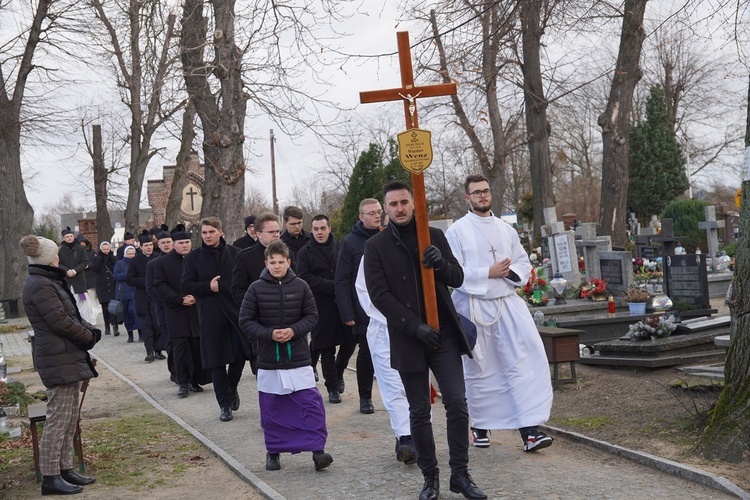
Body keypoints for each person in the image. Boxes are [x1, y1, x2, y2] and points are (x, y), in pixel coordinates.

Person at [364, 181, 486, 500]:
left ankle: (459, 474)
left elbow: (457, 278)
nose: (400, 208)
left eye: (405, 201)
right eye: (393, 204)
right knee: (419, 410)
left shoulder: (433, 235)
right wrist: (414, 327)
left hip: (442, 332)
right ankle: (429, 476)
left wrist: (441, 264)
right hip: (409, 337)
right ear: (385, 210)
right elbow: (379, 296)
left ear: (414, 203)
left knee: (457, 402)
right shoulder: (375, 247)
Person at [445, 174, 554, 452]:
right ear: (466, 197)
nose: (482, 196)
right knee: (479, 368)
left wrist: (510, 274)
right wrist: (488, 272)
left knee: (521, 364)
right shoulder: (457, 231)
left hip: (507, 305)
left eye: (485, 191)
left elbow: (521, 262)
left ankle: (530, 431)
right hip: (472, 307)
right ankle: (479, 426)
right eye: (476, 192)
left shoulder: (506, 230)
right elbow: (451, 272)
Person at [238, 240, 333, 472]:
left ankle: (318, 450)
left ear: (289, 262)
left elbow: (311, 315)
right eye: (273, 262)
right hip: (269, 359)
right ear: (266, 263)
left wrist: (294, 331)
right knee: (273, 408)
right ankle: (273, 452)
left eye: (281, 262)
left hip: (299, 357)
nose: (277, 266)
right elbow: (246, 321)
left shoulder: (301, 286)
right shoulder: (255, 289)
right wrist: (269, 334)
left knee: (310, 404)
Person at [20, 235, 100, 495]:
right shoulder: (40, 285)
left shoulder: (48, 281)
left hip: (66, 355)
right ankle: (51, 476)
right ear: (47, 258)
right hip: (58, 357)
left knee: (68, 419)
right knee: (58, 419)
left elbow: (71, 314)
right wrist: (88, 336)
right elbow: (60, 322)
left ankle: (65, 469)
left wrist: (91, 329)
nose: (59, 257)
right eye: (55, 254)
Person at [182, 216, 253, 422]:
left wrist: (223, 288)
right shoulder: (193, 258)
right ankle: (224, 404)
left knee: (240, 355)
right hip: (210, 314)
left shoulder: (236, 254)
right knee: (216, 361)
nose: (207, 236)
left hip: (235, 311)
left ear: (220, 231)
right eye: (204, 233)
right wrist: (208, 287)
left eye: (211, 232)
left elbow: (243, 282)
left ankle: (232, 387)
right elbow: (186, 285)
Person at [355, 259, 415, 465]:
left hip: (415, 327)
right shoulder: (373, 250)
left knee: (416, 384)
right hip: (384, 326)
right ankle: (405, 437)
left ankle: (419, 433)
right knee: (392, 384)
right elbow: (363, 289)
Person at [334, 198, 381, 413]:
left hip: (388, 304)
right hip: (362, 306)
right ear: (361, 217)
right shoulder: (351, 242)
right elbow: (342, 279)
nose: (376, 215)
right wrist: (347, 312)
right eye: (371, 213)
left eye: (379, 211)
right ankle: (365, 397)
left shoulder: (388, 235)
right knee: (367, 352)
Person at [296, 214, 347, 405]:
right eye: (315, 229)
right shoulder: (305, 252)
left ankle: (339, 371)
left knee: (349, 342)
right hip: (319, 305)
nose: (319, 233)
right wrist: (333, 285)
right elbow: (305, 278)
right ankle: (332, 388)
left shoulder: (341, 247)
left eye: (322, 228)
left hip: (342, 303)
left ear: (329, 229)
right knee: (326, 349)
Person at [153, 225, 205, 398]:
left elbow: (204, 280)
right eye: (181, 243)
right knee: (180, 348)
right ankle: (182, 382)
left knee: (196, 347)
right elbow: (159, 285)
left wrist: (196, 297)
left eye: (187, 242)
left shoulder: (198, 258)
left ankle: (195, 380)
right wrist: (180, 299)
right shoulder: (162, 263)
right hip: (175, 311)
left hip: (196, 310)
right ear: (174, 244)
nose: (185, 245)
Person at [127, 230, 162, 362]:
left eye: (150, 245)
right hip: (142, 297)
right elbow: (130, 279)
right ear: (140, 247)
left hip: (156, 297)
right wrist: (146, 281)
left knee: (157, 324)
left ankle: (158, 349)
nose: (149, 247)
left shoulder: (158, 258)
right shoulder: (135, 261)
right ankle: (150, 351)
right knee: (146, 325)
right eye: (146, 245)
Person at [58, 227, 95, 324]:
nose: (69, 238)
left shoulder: (80, 248)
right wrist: (67, 271)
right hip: (67, 279)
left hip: (79, 279)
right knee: (70, 302)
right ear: (64, 238)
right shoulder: (60, 250)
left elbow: (84, 262)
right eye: (67, 237)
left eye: (71, 236)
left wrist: (74, 270)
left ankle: (86, 321)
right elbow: (59, 263)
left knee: (83, 301)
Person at [90, 241, 119, 336]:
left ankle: (115, 326)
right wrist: (99, 259)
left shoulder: (113, 258)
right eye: (104, 249)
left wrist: (110, 259)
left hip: (112, 284)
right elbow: (94, 269)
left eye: (107, 249)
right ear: (101, 249)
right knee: (105, 307)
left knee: (114, 306)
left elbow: (116, 268)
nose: (106, 251)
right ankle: (107, 326)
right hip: (102, 285)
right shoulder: (96, 258)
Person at [113, 245, 140, 342]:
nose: (131, 255)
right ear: (125, 254)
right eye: (129, 254)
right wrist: (129, 274)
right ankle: (130, 334)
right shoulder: (119, 263)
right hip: (123, 293)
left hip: (135, 291)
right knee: (127, 315)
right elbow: (116, 276)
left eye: (133, 253)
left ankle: (141, 334)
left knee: (136, 313)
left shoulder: (138, 262)